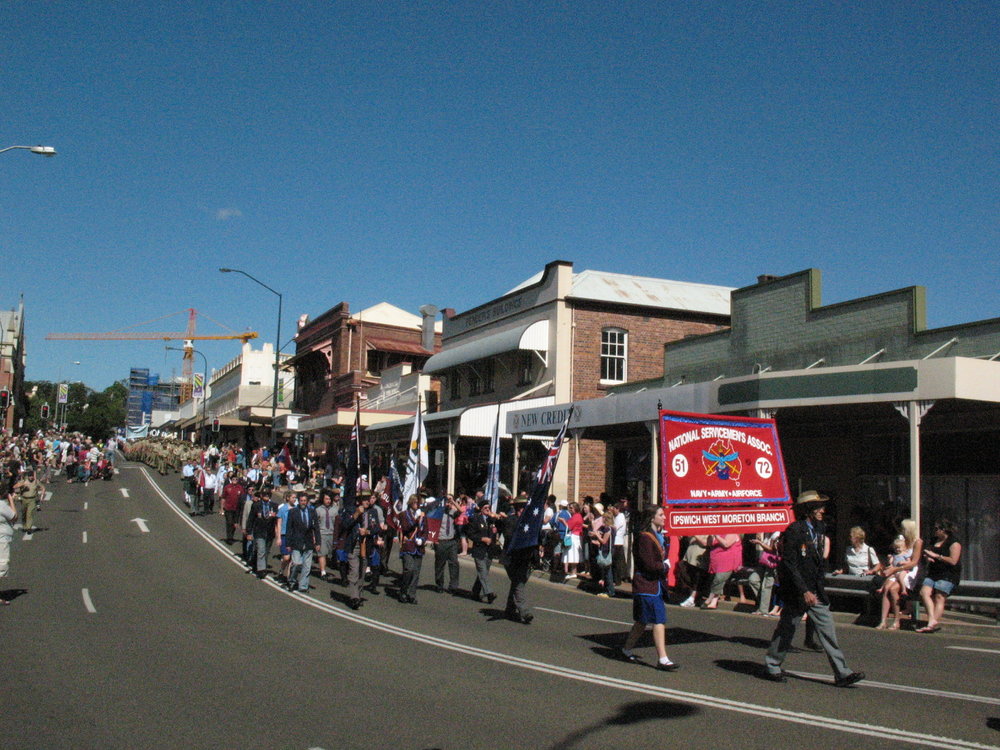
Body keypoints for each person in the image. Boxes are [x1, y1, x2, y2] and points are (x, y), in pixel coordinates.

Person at [764, 491, 865, 687]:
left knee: (828, 631)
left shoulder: (820, 528)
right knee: (787, 629)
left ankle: (842, 673)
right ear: (808, 510)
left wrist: (818, 589)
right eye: (818, 507)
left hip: (816, 590)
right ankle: (772, 665)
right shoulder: (794, 530)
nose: (822, 510)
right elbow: (790, 564)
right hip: (798, 591)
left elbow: (818, 563)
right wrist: (803, 591)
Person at [619, 506, 679, 671]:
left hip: (653, 585)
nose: (664, 517)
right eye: (661, 515)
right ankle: (663, 658)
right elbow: (649, 565)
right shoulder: (645, 538)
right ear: (651, 518)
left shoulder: (657, 536)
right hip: (646, 585)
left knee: (641, 621)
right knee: (658, 620)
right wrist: (664, 566)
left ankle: (626, 649)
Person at [916, 518, 962, 633]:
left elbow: (953, 561)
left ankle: (931, 624)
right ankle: (932, 619)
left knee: (939, 597)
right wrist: (928, 557)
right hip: (933, 572)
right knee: (924, 592)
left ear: (944, 530)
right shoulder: (934, 540)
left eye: (937, 529)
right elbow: (928, 551)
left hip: (948, 574)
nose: (935, 531)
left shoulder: (954, 543)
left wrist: (937, 556)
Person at [876, 520, 923, 630]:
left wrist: (896, 569)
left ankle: (897, 621)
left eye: (903, 528)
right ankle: (883, 620)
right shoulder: (901, 541)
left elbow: (914, 562)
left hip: (908, 571)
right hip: (897, 570)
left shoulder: (917, 542)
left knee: (893, 589)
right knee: (887, 588)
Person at [502, 495, 535, 624]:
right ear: (516, 509)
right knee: (518, 583)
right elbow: (509, 536)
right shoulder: (511, 520)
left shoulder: (531, 522)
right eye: (520, 508)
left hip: (525, 558)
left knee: (516, 583)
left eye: (524, 508)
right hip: (512, 558)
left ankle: (509, 609)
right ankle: (525, 612)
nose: (522, 510)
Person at [283, 489, 321, 593]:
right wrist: (288, 543)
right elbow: (289, 528)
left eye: (305, 500)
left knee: (307, 566)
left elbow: (316, 528)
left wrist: (318, 542)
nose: (303, 502)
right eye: (301, 500)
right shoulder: (293, 512)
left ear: (307, 501)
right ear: (298, 501)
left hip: (308, 542)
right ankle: (291, 581)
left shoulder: (312, 512)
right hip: (296, 542)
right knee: (296, 563)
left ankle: (303, 586)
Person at [397, 494, 427, 604]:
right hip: (408, 546)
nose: (416, 505)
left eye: (418, 503)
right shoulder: (404, 514)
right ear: (410, 503)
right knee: (408, 569)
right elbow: (405, 527)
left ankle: (411, 594)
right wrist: (416, 520)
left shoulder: (423, 515)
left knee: (416, 572)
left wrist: (423, 540)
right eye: (414, 503)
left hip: (418, 547)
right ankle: (403, 591)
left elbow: (425, 530)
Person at [467, 498, 498, 604]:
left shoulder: (491, 520)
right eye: (485, 508)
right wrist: (482, 539)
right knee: (483, 573)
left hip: (489, 551)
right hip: (479, 550)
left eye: (489, 508)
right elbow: (470, 534)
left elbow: (497, 529)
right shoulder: (475, 519)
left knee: (483, 573)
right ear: (481, 509)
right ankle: (489, 593)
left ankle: (475, 592)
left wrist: (495, 520)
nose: (487, 509)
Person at [702, 533, 742, 609]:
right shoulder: (718, 534)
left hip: (728, 562)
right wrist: (711, 535)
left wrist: (716, 536)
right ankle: (714, 602)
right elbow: (709, 545)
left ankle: (709, 599)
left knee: (718, 579)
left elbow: (726, 544)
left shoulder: (732, 533)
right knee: (718, 581)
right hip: (717, 562)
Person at [246, 488, 277, 579]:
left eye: (268, 494)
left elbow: (277, 521)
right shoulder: (256, 505)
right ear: (261, 496)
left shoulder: (274, 506)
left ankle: (260, 566)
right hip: (259, 531)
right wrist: (249, 532)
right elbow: (251, 519)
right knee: (261, 550)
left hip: (270, 532)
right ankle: (261, 570)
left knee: (266, 551)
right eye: (264, 494)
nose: (266, 496)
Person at [434, 494, 461, 594]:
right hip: (441, 541)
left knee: (454, 563)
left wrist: (453, 502)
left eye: (449, 501)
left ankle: (453, 586)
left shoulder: (453, 512)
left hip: (452, 541)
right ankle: (439, 584)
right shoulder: (438, 513)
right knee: (439, 564)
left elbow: (461, 511)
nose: (448, 503)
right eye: (447, 501)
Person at [315, 490, 339, 581]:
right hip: (322, 534)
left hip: (332, 534)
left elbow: (338, 523)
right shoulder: (318, 510)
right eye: (326, 499)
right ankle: (323, 572)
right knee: (322, 553)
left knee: (329, 553)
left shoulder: (335, 509)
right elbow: (315, 524)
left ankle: (327, 565)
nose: (328, 501)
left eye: (329, 499)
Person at [0, 490, 17, 604]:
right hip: (1, 539)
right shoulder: (1, 505)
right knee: (1, 566)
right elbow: (14, 517)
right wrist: (11, 500)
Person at [14, 469, 42, 535]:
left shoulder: (35, 482)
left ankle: (29, 528)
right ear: (27, 476)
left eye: (32, 476)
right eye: (29, 476)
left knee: (29, 513)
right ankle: (24, 526)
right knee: (24, 513)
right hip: (24, 499)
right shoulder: (24, 481)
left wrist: (41, 495)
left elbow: (42, 487)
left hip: (32, 499)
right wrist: (23, 484)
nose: (31, 477)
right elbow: (15, 487)